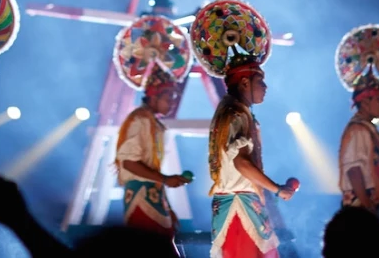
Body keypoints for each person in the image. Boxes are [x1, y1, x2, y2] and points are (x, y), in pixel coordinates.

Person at [208, 60, 294, 258]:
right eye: (260, 81)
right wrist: (278, 189)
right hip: (239, 209)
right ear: (245, 83)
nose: (265, 87)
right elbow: (242, 163)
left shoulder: (234, 112)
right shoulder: (236, 115)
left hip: (242, 205)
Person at [115, 65, 190, 246]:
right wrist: (165, 179)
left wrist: (168, 206)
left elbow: (151, 169)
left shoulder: (154, 124)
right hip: (140, 198)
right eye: (168, 98)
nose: (171, 103)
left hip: (154, 197)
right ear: (153, 96)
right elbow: (128, 163)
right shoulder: (139, 120)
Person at [337, 72, 379, 221]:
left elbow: (369, 174)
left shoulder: (367, 129)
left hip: (367, 204)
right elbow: (353, 171)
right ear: (365, 102)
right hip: (359, 206)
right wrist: (367, 208)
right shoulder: (358, 130)